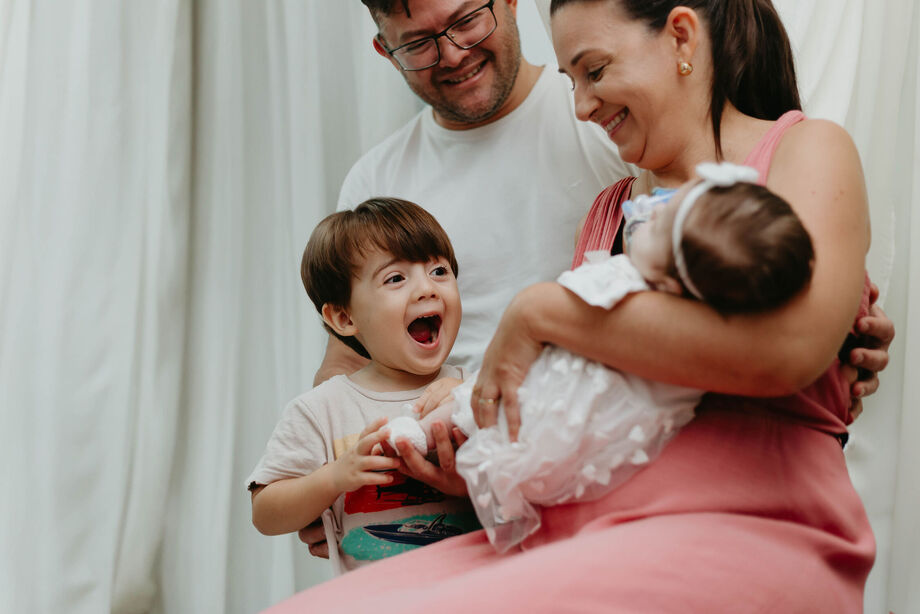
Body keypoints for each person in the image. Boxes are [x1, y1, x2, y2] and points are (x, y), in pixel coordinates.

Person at [261, 1, 894, 611]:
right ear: (385, 49)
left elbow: (788, 352)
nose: (583, 106)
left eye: (593, 71)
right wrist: (417, 475)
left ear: (680, 37)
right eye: (419, 43)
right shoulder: (603, 213)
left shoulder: (800, 150)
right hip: (560, 517)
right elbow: (575, 410)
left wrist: (538, 314)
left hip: (735, 522)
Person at [386, 161, 816, 553]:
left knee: (488, 413)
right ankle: (430, 435)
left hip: (645, 507)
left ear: (669, 281)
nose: (644, 214)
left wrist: (536, 311)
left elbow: (562, 304)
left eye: (659, 221)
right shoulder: (674, 276)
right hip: (577, 452)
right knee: (476, 409)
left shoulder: (645, 294)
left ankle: (435, 437)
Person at [247, 198, 480, 573]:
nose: (427, 289)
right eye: (396, 278)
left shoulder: (474, 390)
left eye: (439, 270)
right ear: (343, 316)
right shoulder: (322, 410)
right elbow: (265, 513)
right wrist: (333, 477)